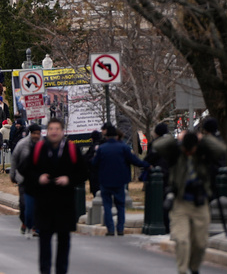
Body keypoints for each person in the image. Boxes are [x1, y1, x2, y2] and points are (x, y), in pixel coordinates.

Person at [152, 128, 227, 274]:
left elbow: (221, 149)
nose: (188, 152)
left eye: (191, 149)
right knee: (182, 240)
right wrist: (175, 139)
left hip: (200, 202)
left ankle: (194, 268)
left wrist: (203, 139)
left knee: (200, 243)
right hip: (180, 202)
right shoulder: (176, 154)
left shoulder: (203, 153)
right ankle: (182, 271)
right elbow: (157, 146)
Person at [20, 117, 88, 274]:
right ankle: (45, 270)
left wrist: (69, 179)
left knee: (64, 241)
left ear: (63, 132)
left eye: (57, 129)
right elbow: (25, 169)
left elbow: (83, 172)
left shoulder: (71, 150)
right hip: (44, 203)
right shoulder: (39, 149)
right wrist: (38, 178)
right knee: (44, 241)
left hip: (65, 203)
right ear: (47, 131)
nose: (54, 132)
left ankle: (61, 271)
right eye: (51, 129)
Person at [92, 124, 150, 236]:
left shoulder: (102, 149)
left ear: (107, 136)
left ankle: (110, 229)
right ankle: (120, 228)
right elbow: (134, 160)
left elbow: (94, 163)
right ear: (116, 136)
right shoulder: (123, 148)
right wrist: (146, 165)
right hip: (120, 180)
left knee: (107, 205)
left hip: (105, 181)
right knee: (120, 205)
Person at [10, 123, 41, 237]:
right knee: (24, 204)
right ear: (30, 133)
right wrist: (12, 175)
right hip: (24, 180)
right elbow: (14, 160)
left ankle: (36, 227)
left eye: (38, 133)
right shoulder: (22, 144)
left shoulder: (43, 144)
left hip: (39, 181)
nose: (36, 136)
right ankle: (24, 221)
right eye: (34, 133)